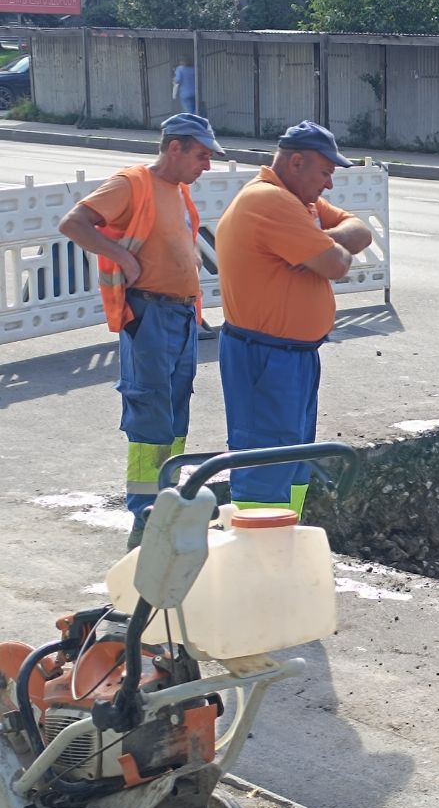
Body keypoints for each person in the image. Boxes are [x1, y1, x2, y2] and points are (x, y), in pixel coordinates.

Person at [57, 113, 223, 550]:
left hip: (181, 315)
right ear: (175, 149)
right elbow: (74, 222)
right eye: (201, 155)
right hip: (149, 312)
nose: (206, 166)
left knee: (176, 409)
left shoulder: (178, 190)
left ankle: (168, 501)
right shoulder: (131, 183)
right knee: (150, 410)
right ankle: (145, 516)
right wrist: (121, 258)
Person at [214, 121, 372, 514]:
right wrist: (318, 245)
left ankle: (284, 543)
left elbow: (361, 231)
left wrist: (314, 241)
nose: (329, 185)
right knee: (265, 462)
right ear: (297, 162)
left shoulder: (299, 203)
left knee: (293, 460)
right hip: (266, 357)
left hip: (291, 356)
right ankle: (257, 559)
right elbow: (336, 264)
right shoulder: (270, 201)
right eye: (325, 173)